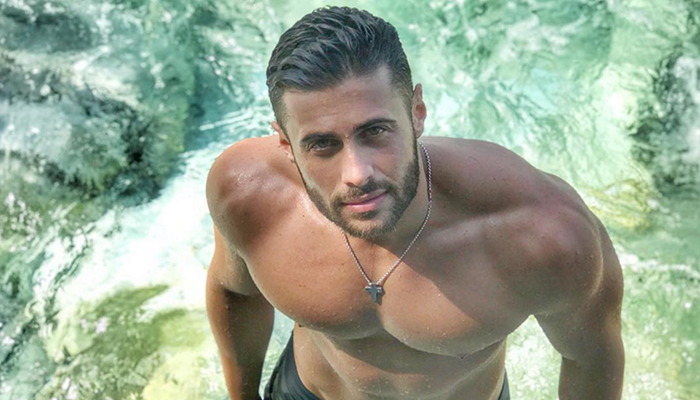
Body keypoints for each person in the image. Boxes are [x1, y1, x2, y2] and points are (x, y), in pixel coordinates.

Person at [205, 6, 625, 400]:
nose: (357, 174)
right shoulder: (248, 195)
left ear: (417, 111)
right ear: (285, 143)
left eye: (375, 132)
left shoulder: (540, 232)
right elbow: (234, 292)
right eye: (322, 144)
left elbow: (591, 357)